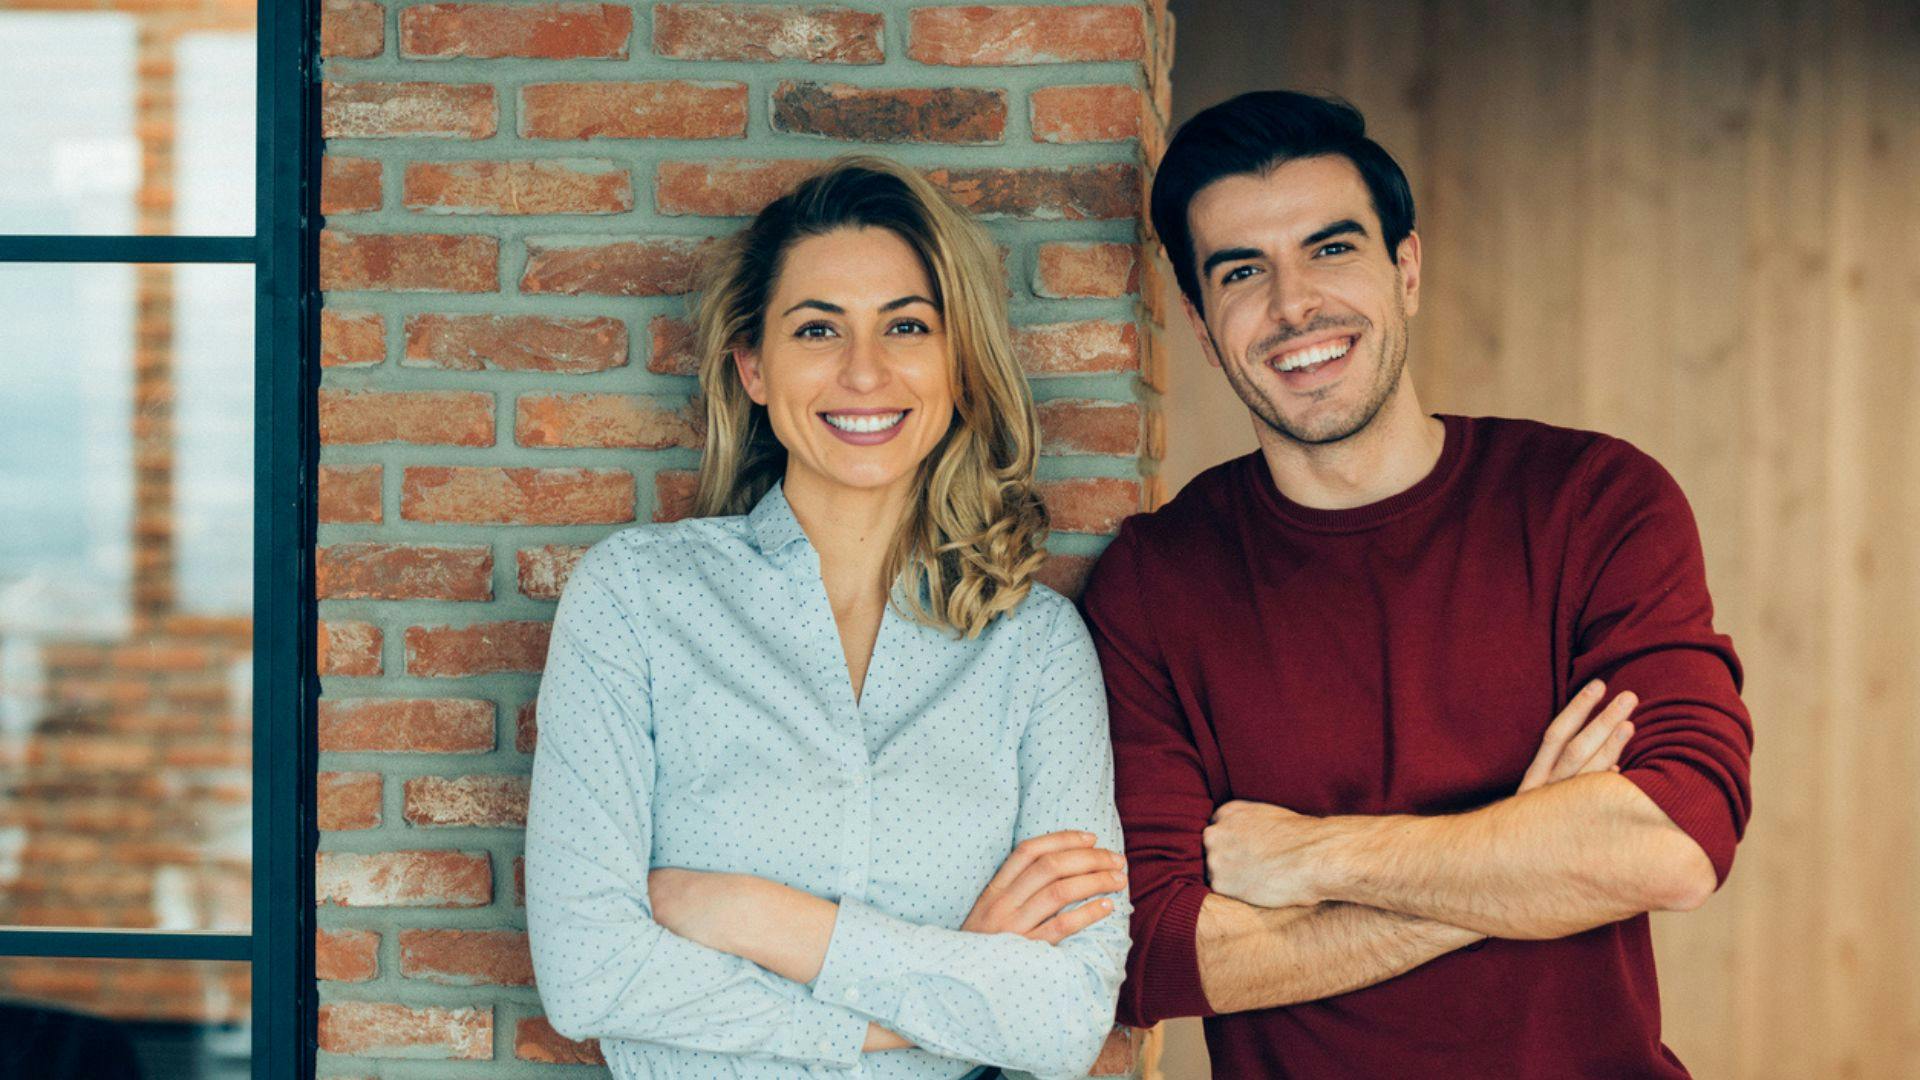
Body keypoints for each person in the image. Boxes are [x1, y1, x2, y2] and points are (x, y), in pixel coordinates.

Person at [1081, 91, 1754, 1077]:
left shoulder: (1593, 502)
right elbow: (1158, 956)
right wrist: (1523, 852)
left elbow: (1673, 844)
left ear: (1406, 267)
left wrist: (1318, 857)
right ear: (1197, 317)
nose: (1293, 304)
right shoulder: (1156, 581)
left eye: (1332, 249)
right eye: (1240, 272)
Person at [525, 156, 1131, 1080]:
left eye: (907, 326)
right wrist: (945, 989)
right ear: (754, 368)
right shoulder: (637, 602)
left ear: (959, 365)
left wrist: (759, 919)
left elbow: (1065, 1017)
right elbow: (589, 975)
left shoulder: (1035, 649)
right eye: (818, 329)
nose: (864, 371)